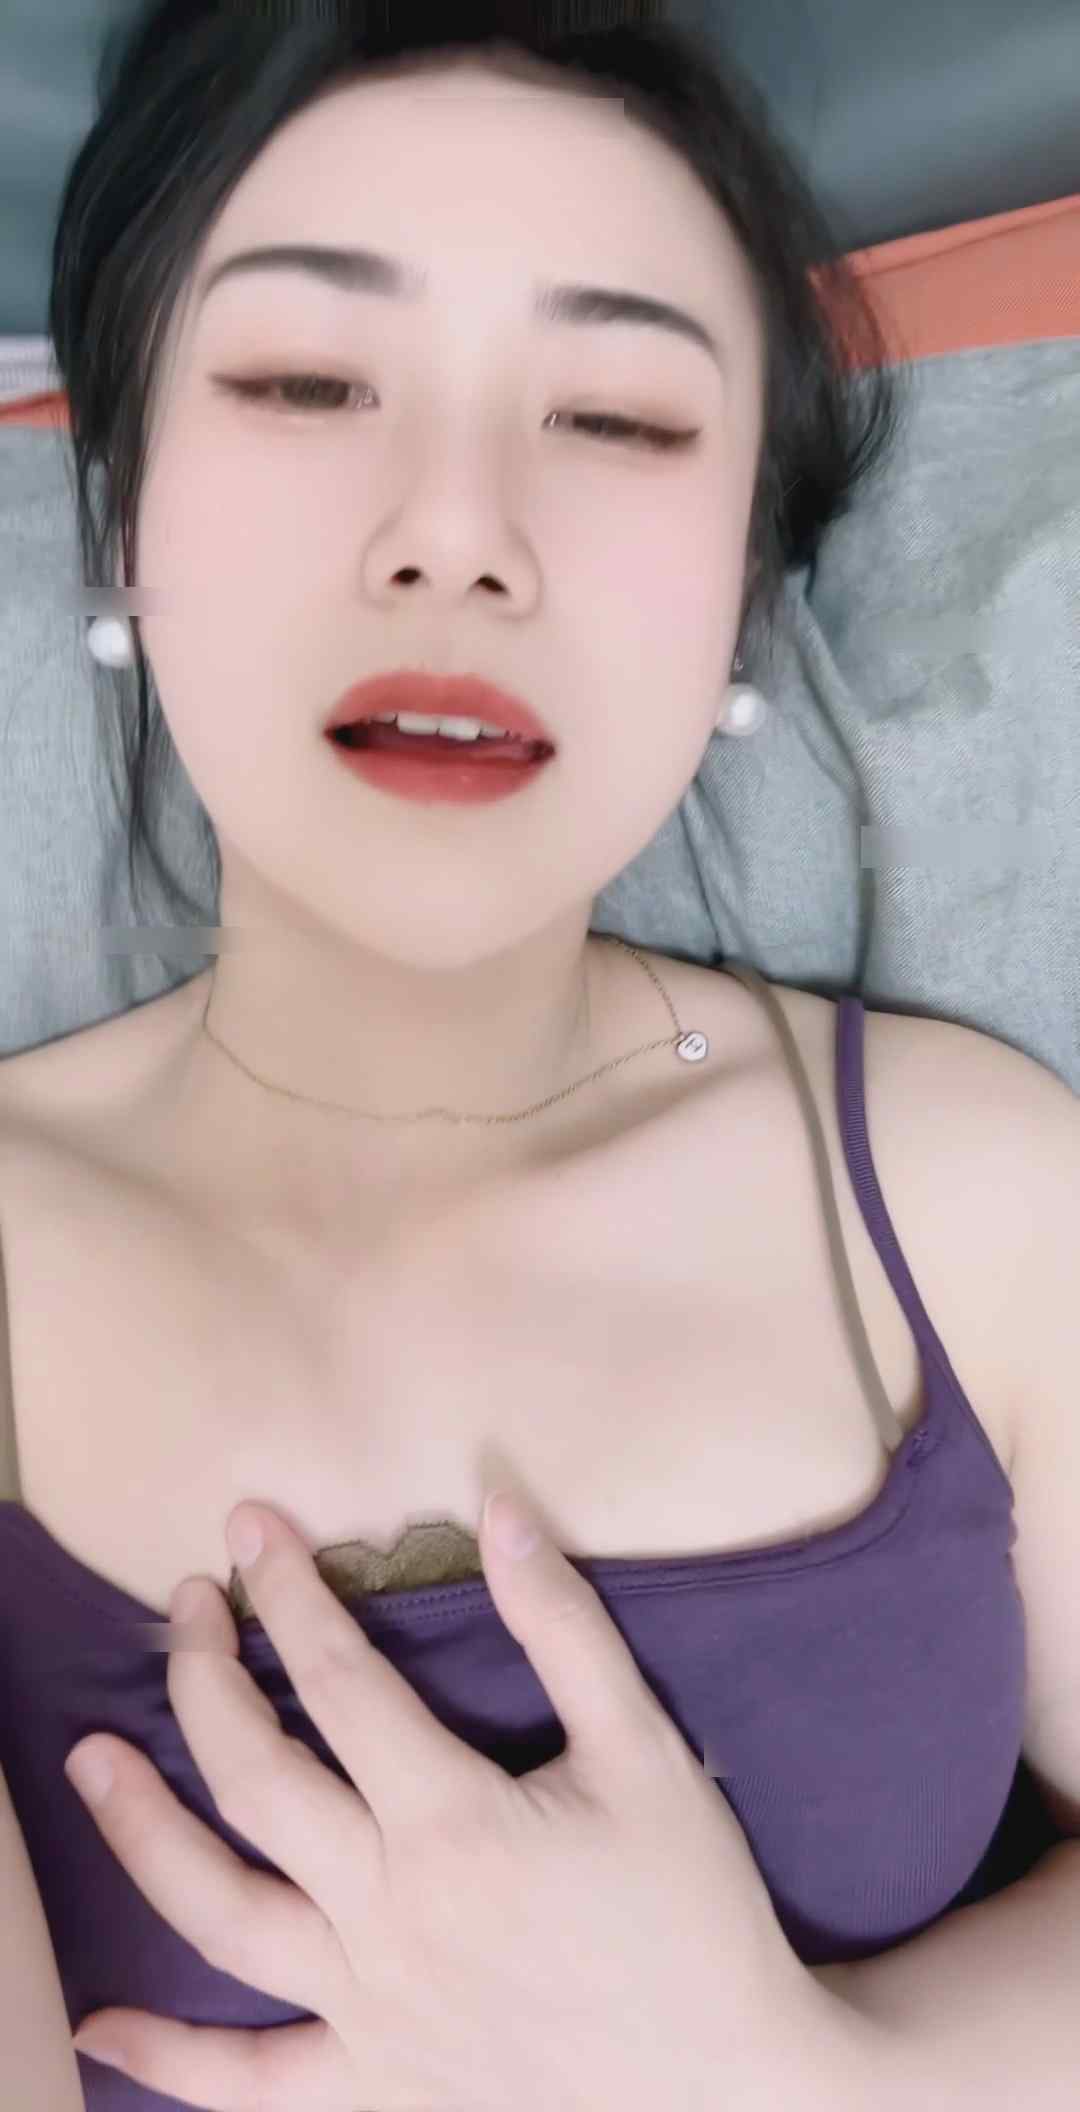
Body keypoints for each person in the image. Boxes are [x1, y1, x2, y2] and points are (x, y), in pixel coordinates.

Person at [3, 18, 1064, 2079]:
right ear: (123, 507)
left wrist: (786, 2075)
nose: (457, 532)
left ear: (742, 582)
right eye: (309, 383)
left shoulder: (977, 1199)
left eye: (617, 414)